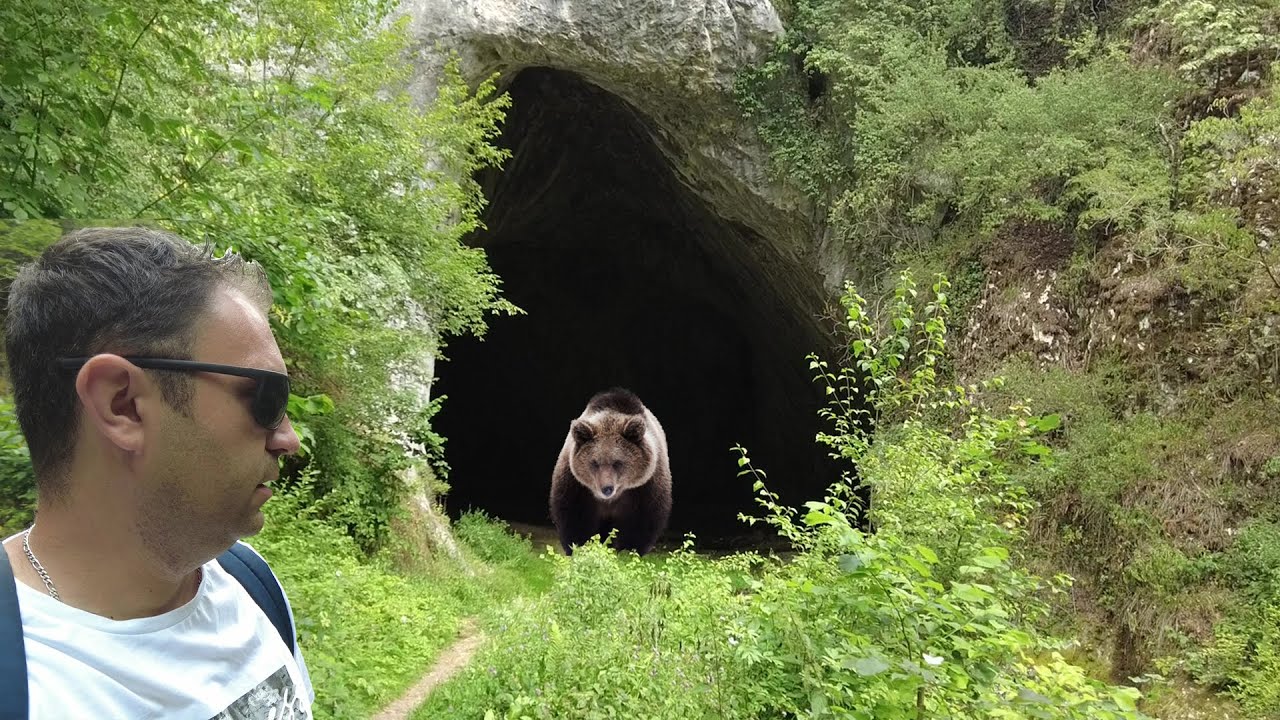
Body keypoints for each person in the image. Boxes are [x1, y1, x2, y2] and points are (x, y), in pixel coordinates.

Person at [1, 226, 314, 718]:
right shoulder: (25, 681)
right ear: (121, 404)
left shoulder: (252, 585)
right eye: (265, 397)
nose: (288, 438)